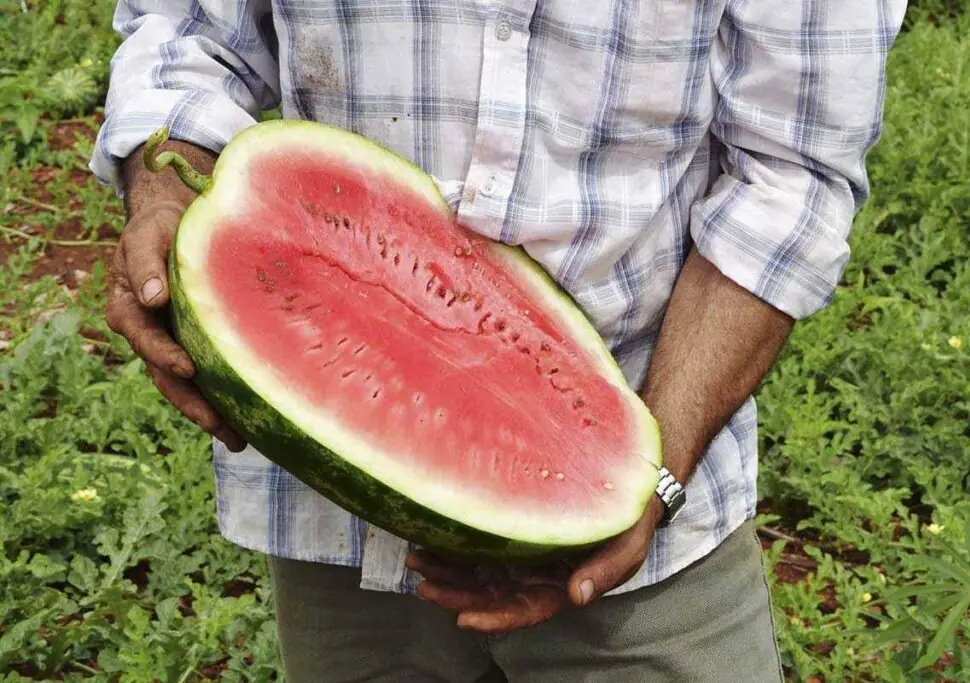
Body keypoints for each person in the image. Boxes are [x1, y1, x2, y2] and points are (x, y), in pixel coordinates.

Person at [91, 1, 905, 680]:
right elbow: (188, 30)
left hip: (655, 512)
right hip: (331, 513)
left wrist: (652, 475)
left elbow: (788, 174)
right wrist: (161, 187)